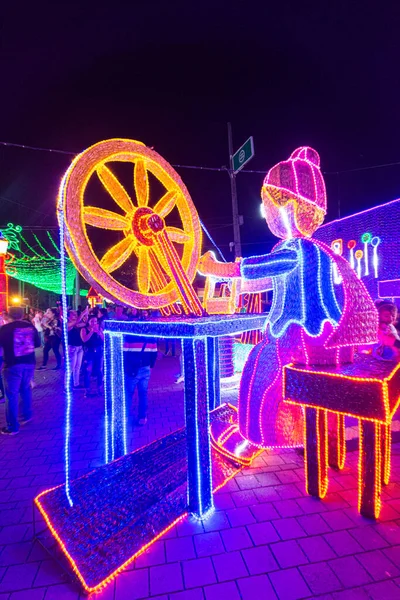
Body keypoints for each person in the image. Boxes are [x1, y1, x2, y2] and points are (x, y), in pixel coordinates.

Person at [0, 306, 40, 435]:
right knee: (25, 389)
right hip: (29, 363)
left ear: (10, 315)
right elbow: (38, 343)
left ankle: (12, 426)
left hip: (12, 364)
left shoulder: (5, 329)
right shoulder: (29, 326)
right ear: (22, 314)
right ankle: (26, 416)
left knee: (11, 395)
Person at [124, 320, 158, 425]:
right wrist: (150, 366)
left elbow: (124, 353)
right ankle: (142, 417)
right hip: (145, 368)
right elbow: (154, 355)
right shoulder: (151, 339)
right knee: (143, 394)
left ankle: (125, 416)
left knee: (128, 394)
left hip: (132, 370)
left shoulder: (129, 337)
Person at [81, 316, 104, 396]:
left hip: (99, 352)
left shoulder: (99, 329)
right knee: (88, 371)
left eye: (95, 321)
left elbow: (104, 339)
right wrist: (91, 332)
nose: (94, 323)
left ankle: (99, 389)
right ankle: (87, 391)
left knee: (99, 371)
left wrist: (100, 333)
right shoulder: (84, 329)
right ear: (89, 322)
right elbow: (84, 339)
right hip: (89, 352)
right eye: (92, 321)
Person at [65, 308, 87, 388]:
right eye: (73, 314)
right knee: (71, 367)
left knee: (77, 367)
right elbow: (76, 323)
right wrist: (83, 314)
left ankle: (76, 384)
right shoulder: (67, 324)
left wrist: (86, 315)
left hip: (80, 347)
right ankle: (66, 386)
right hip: (72, 347)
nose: (75, 315)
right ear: (69, 316)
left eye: (75, 314)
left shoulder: (77, 323)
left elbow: (84, 323)